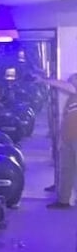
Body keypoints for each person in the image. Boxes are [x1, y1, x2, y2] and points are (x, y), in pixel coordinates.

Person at [37, 73, 77, 208]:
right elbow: (66, 120)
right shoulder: (71, 99)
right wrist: (62, 138)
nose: (71, 82)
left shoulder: (74, 92)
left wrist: (44, 80)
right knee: (66, 170)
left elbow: (66, 86)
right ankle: (63, 200)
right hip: (68, 138)